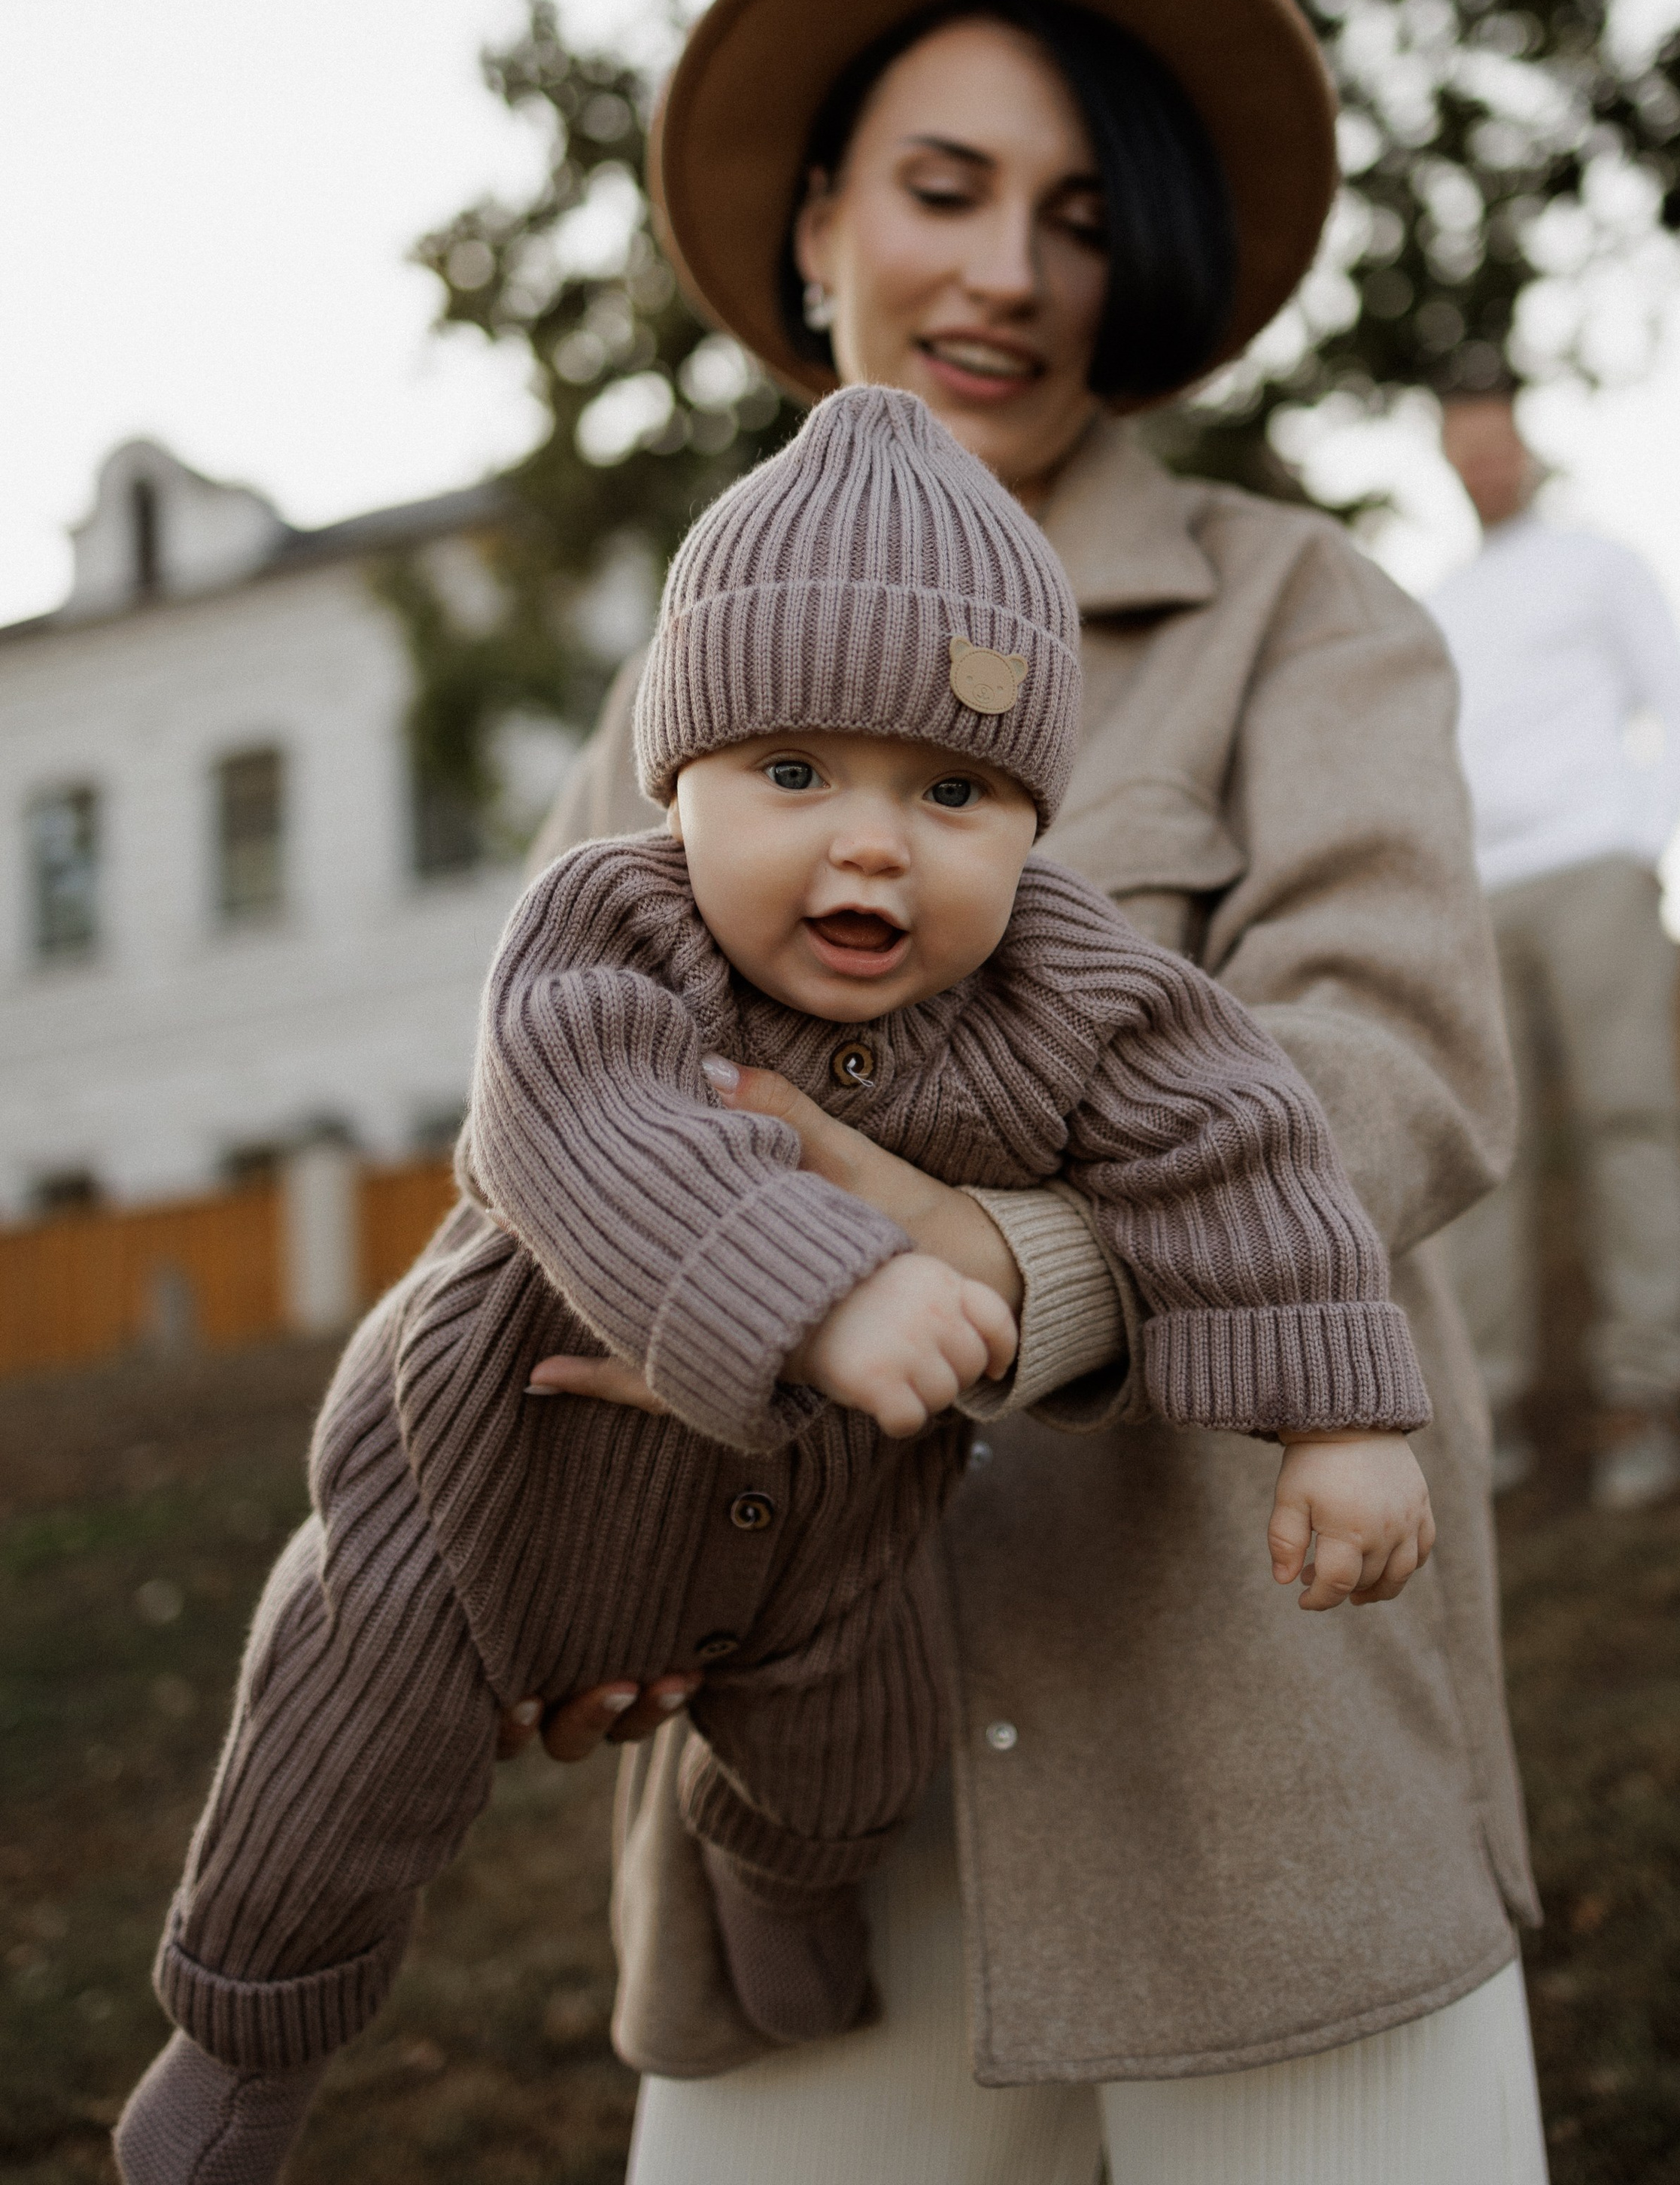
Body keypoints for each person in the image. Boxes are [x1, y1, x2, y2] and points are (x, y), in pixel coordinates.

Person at [503, 0, 1548, 2185]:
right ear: (811, 231)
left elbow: (1390, 1059)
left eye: (1076, 216)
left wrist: (1004, 1264)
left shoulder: (1301, 610)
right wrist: (542, 1542)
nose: (1004, 273)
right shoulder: (662, 710)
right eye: (943, 192)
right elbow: (542, 1135)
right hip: (797, 1799)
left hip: (1242, 1724)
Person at [112, 387, 1436, 2184]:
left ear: (1030, 817)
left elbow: (1235, 1138)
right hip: (482, 1482)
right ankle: (242, 2053)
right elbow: (571, 1110)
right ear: (684, 780)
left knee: (847, 1753)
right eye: (792, 774)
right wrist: (827, 1287)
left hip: (826, 1531)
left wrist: (1336, 1414)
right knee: (341, 1759)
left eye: (952, 790)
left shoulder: (1068, 977)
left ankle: (782, 1892)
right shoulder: (615, 924)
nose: (870, 842)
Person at [1429, 384, 1680, 1512]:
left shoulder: (1600, 563)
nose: (1485, 465)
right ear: (1449, 464)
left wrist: (1639, 845)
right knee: (1484, 1157)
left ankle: (1645, 1390)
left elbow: (1673, 705)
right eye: (1464, 452)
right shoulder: (1440, 602)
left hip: (1595, 871)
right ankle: (1487, 1407)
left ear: (1525, 449)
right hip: (1481, 903)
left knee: (1632, 1119)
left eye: (1497, 444)